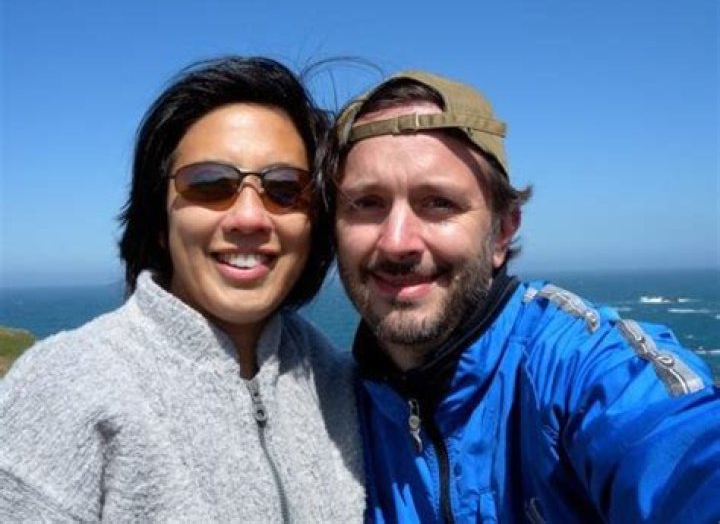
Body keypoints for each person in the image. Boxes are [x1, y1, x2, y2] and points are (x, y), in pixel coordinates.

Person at [324, 70, 720, 523]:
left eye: (438, 203)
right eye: (366, 204)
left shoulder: (576, 368)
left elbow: (683, 452)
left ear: (502, 232)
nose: (397, 242)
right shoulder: (331, 411)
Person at [0, 56, 365, 521]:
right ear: (159, 220)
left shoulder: (338, 383)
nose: (249, 217)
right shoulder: (66, 386)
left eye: (286, 189)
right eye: (210, 184)